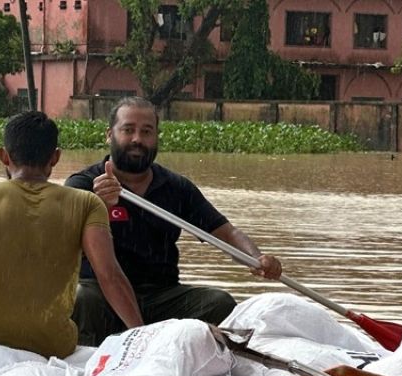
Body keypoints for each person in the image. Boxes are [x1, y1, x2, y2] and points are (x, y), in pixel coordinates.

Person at [0, 110, 144, 376]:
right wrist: (142, 336)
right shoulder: (87, 203)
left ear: (3, 156)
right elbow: (110, 275)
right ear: (55, 157)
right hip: (54, 342)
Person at [65, 96, 283, 346]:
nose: (137, 139)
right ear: (109, 135)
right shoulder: (83, 185)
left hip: (161, 296)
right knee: (81, 298)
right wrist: (102, 206)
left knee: (219, 302)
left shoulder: (176, 188)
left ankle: (172, 347)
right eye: (128, 130)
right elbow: (65, 244)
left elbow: (227, 233)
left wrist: (257, 258)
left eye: (146, 131)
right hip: (102, 295)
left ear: (157, 136)